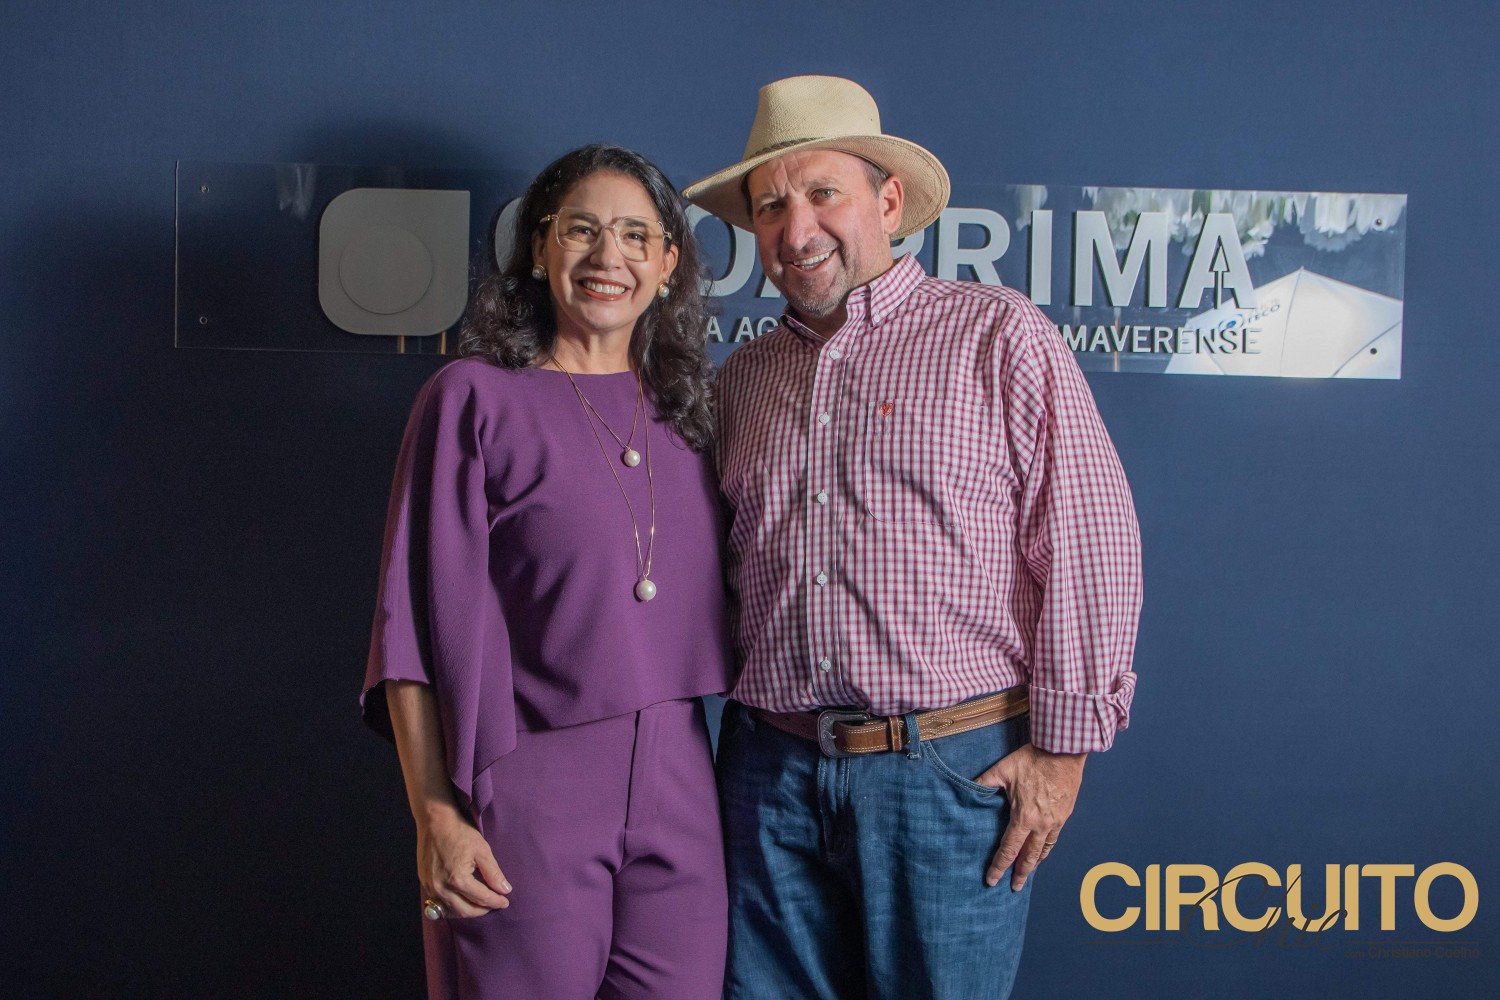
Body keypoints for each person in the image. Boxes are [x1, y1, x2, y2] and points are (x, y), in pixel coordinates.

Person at [684, 76, 1143, 999]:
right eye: (770, 207)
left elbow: (1089, 540)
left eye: (823, 193)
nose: (796, 229)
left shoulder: (996, 334)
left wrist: (1063, 753)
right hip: (767, 770)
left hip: (947, 769)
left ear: (888, 202)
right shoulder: (741, 381)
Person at [362, 144, 731, 1000]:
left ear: (669, 265)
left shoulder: (694, 416)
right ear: (538, 248)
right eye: (582, 229)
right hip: (530, 783)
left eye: (636, 235)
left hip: (683, 782)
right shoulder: (473, 399)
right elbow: (409, 629)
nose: (610, 256)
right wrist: (436, 813)